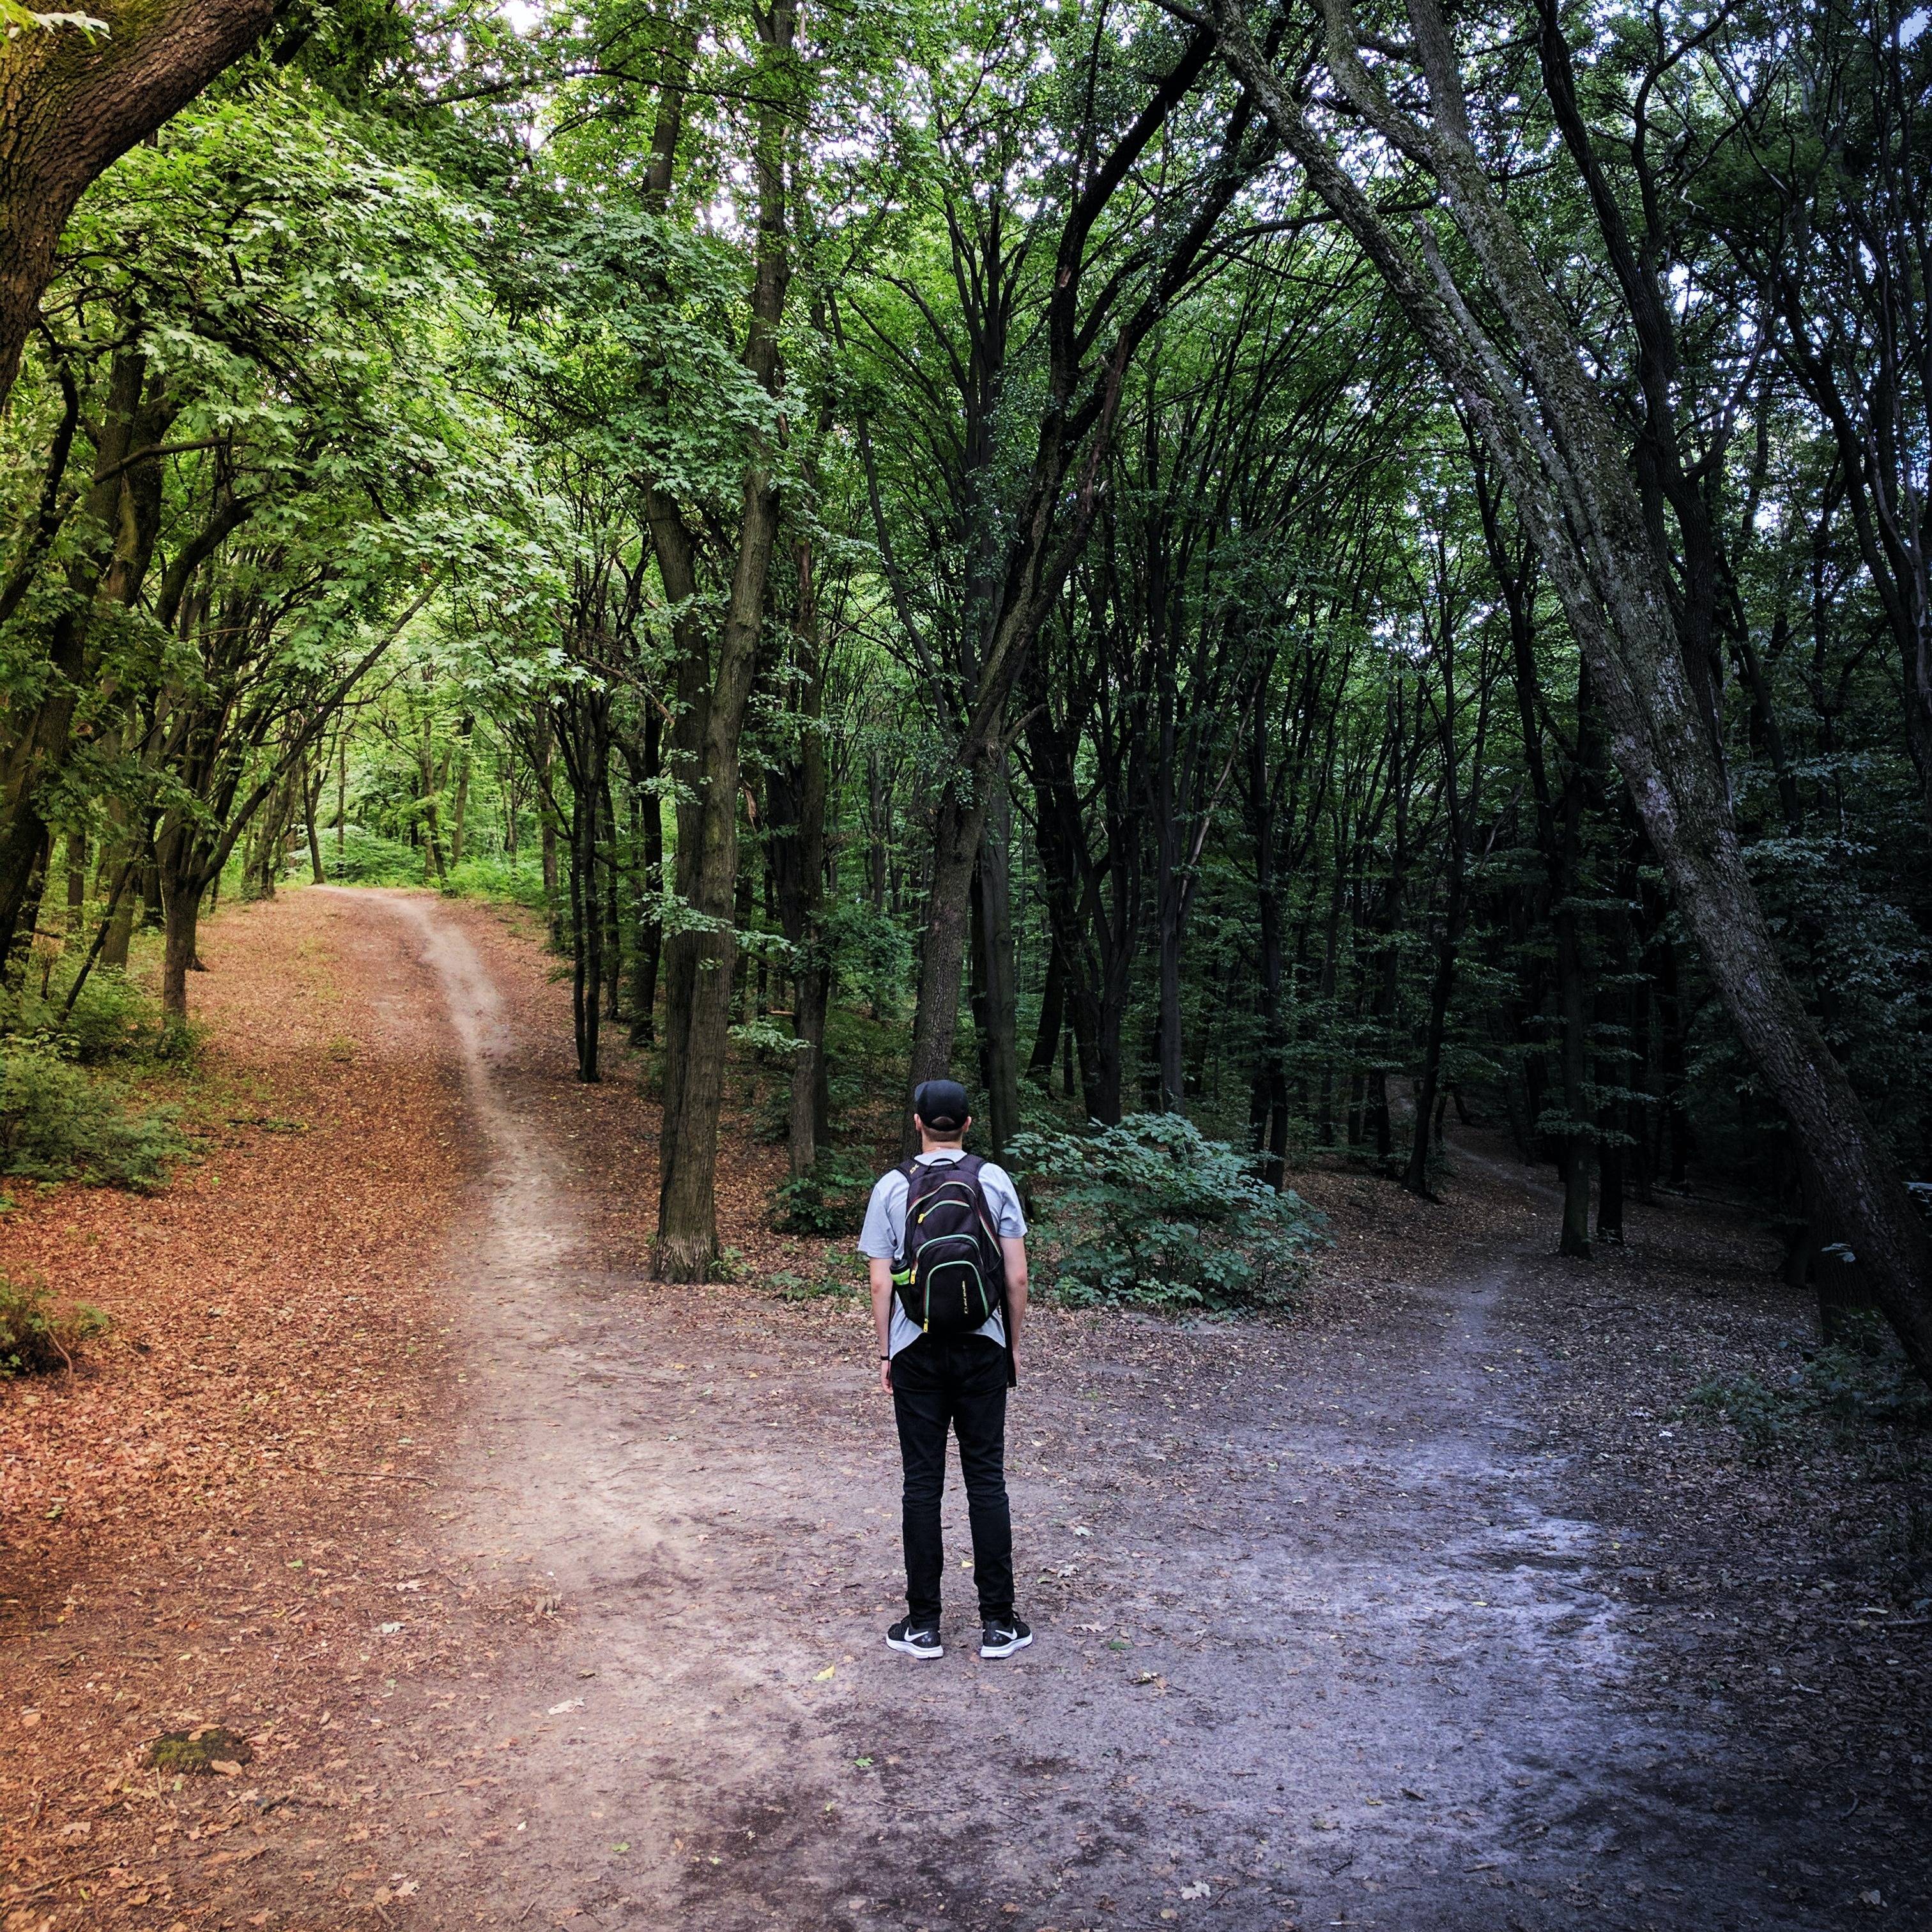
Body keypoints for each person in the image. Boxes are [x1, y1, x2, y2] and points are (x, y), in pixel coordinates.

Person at [859, 1078, 1032, 1661]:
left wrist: (887, 1351)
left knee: (921, 1484)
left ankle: (924, 1625)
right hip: (983, 1346)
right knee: (986, 1480)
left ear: (917, 1123)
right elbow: (1016, 1277)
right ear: (967, 1123)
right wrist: (1010, 1344)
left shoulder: (891, 1186)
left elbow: (882, 1280)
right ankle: (999, 1624)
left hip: (917, 1349)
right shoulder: (994, 1179)